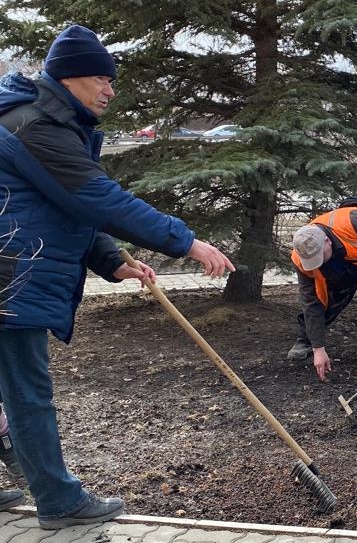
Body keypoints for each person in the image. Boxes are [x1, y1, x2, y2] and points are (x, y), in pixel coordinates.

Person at [0, 25, 234, 527]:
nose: (111, 90)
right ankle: (60, 503)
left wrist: (109, 259)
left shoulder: (41, 120)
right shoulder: (34, 125)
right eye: (102, 79)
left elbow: (58, 203)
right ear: (69, 78)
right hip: (9, 278)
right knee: (25, 390)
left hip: (11, 265)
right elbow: (95, 198)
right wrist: (187, 242)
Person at [286, 201, 357, 382]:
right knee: (326, 299)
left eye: (320, 256)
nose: (318, 263)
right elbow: (310, 302)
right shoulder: (301, 257)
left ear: (326, 241)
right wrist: (319, 349)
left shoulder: (355, 222)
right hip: (345, 262)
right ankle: (307, 340)